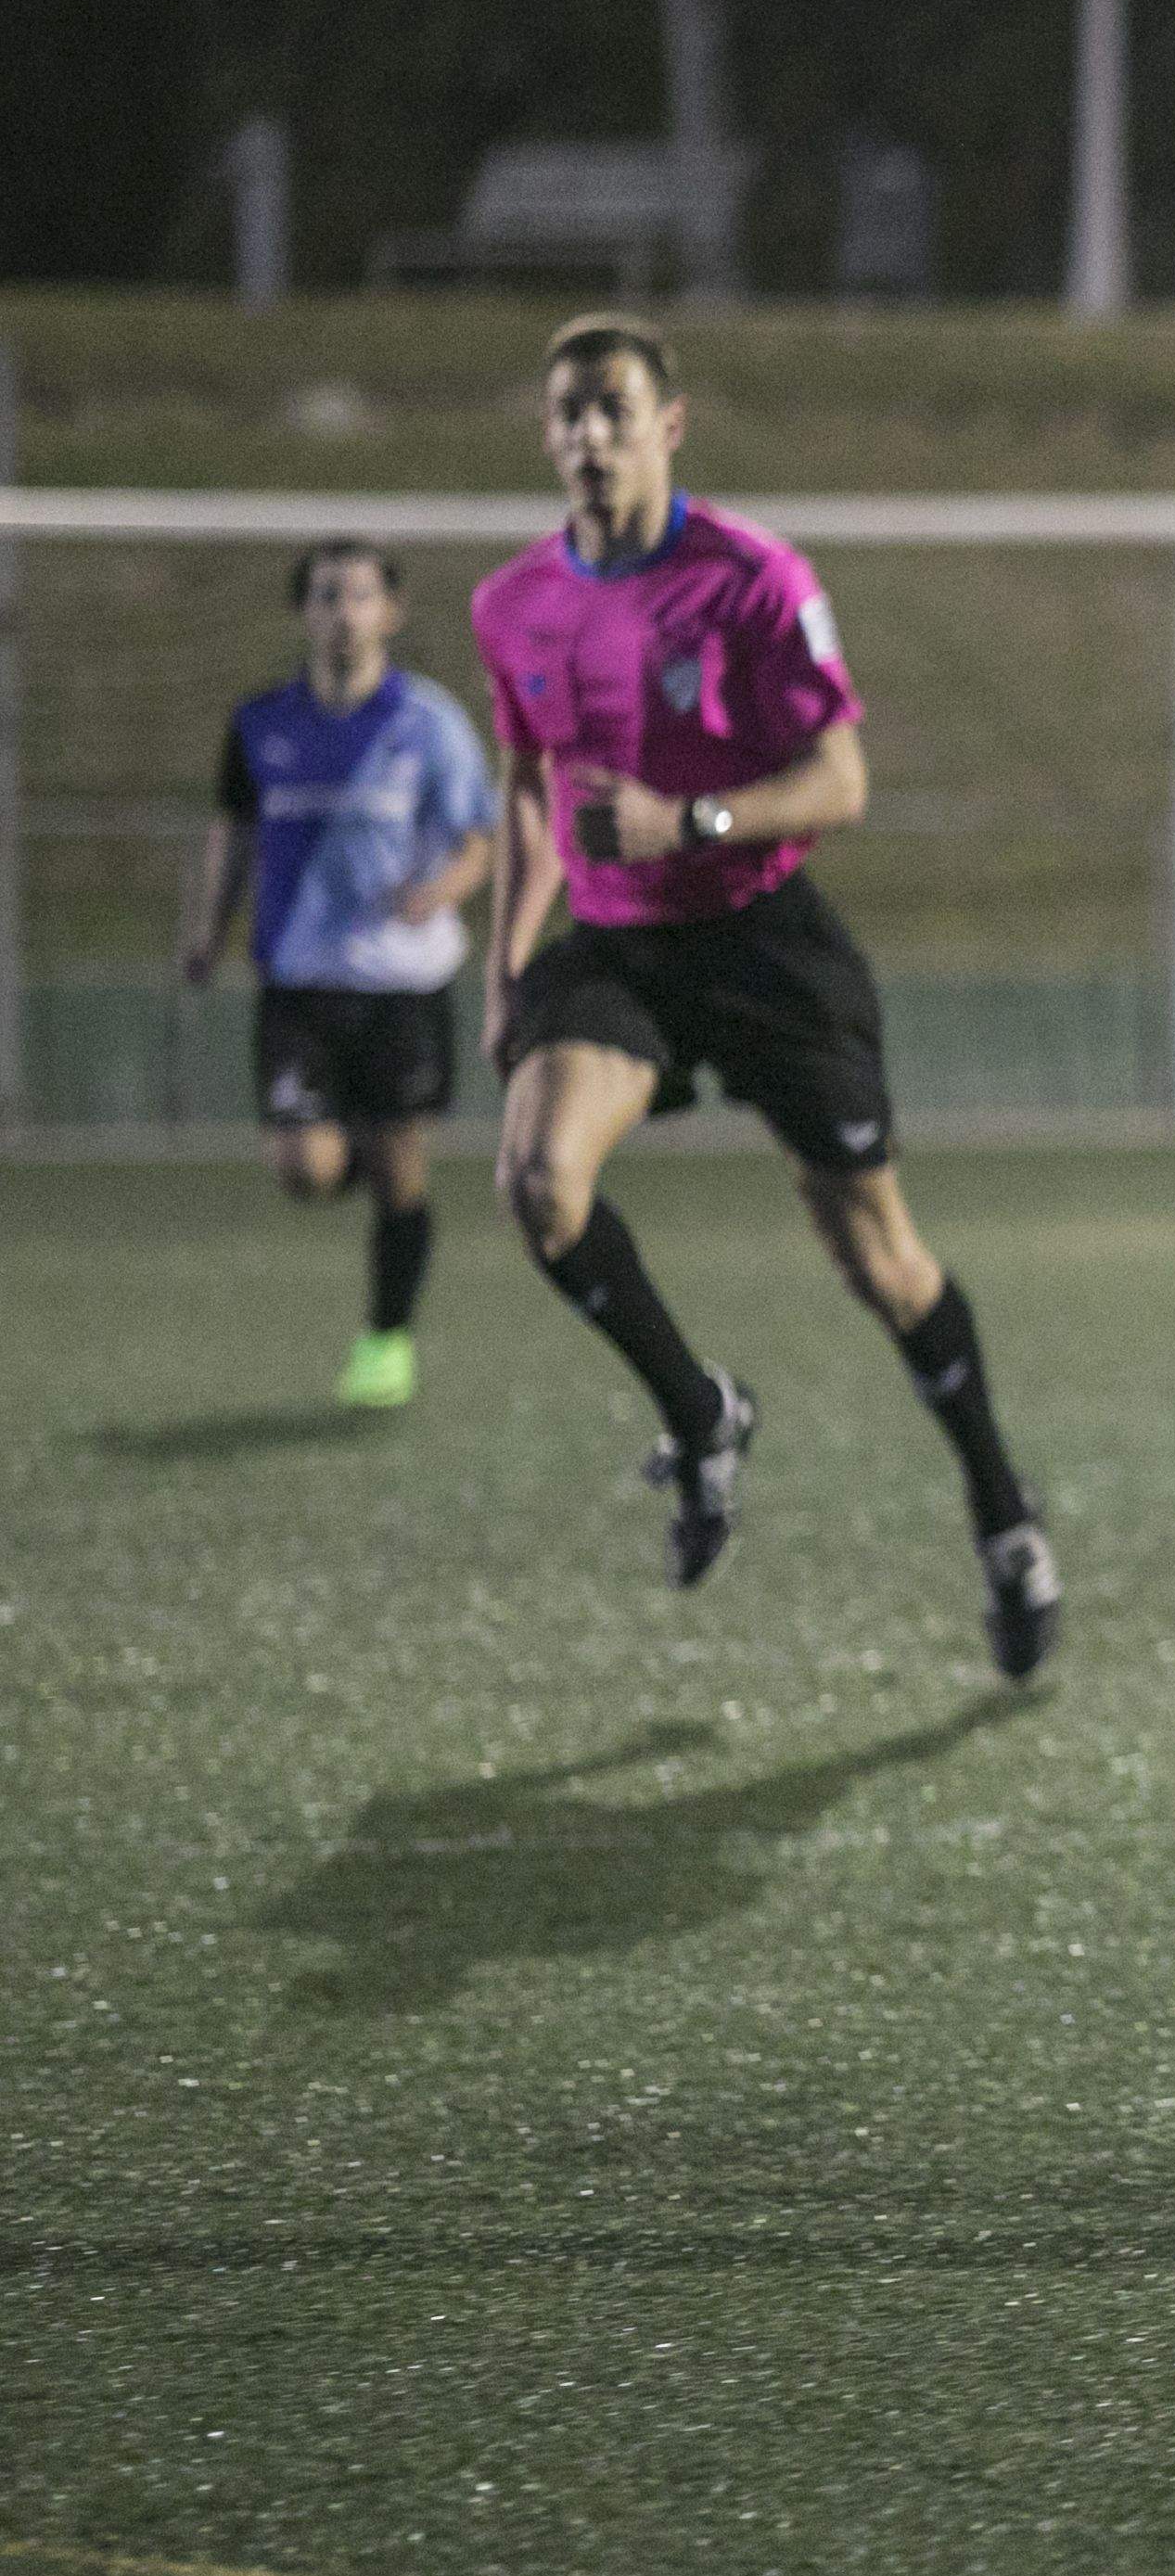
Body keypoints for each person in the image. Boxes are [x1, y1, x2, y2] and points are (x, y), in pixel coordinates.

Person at [469, 312, 1059, 1677]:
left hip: (760, 939)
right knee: (537, 1183)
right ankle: (701, 1416)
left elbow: (842, 782)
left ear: (672, 424)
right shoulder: (512, 605)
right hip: (620, 953)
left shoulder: (750, 577)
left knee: (881, 1264)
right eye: (567, 413)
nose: (589, 436)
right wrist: (510, 964)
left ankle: (1002, 1513)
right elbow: (528, 789)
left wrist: (694, 821)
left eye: (614, 408)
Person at [177, 540, 494, 1409]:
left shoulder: (427, 722)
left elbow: (480, 836)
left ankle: (387, 1338)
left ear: (389, 613)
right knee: (305, 1170)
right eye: (326, 596)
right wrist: (207, 930)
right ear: (304, 614)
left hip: (402, 982)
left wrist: (442, 891)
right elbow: (233, 832)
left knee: (401, 1168)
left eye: (360, 596)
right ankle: (349, 1138)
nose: (344, 613)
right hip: (299, 979)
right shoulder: (260, 724)